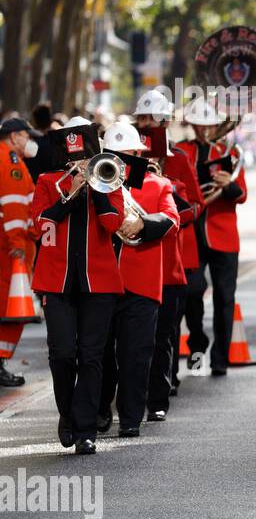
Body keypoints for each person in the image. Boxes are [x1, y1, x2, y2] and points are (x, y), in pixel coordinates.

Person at [31, 119, 132, 454]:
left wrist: (97, 190)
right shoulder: (48, 182)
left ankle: (86, 428)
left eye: (84, 158)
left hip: (98, 283)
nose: (79, 164)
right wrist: (71, 194)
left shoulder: (109, 180)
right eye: (74, 158)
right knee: (62, 354)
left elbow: (112, 224)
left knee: (92, 356)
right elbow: (39, 227)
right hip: (56, 283)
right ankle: (67, 415)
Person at [95, 122, 179, 437]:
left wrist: (143, 224)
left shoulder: (157, 185)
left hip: (141, 282)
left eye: (126, 154)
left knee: (136, 354)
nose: (120, 160)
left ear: (138, 154)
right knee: (99, 353)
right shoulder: (98, 182)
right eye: (113, 154)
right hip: (101, 282)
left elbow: (172, 219)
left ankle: (130, 418)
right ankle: (101, 410)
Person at [132, 90, 202, 421]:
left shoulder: (180, 160)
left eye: (152, 119)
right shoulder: (125, 156)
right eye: (142, 119)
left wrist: (171, 208)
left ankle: (160, 394)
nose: (146, 125)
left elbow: (197, 206)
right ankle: (133, 392)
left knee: (165, 334)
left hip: (169, 256)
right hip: (133, 259)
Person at [176, 98, 247, 376]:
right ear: (193, 125)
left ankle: (220, 358)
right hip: (192, 236)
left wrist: (227, 186)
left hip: (223, 235)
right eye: (200, 124)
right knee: (192, 292)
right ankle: (197, 343)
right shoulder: (181, 151)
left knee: (225, 299)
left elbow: (241, 195)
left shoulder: (227, 152)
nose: (205, 130)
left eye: (209, 125)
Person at [0, 115, 38, 387]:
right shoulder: (11, 163)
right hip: (11, 251)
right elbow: (13, 206)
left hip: (9, 247)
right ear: (14, 137)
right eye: (26, 136)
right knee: (10, 310)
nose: (29, 141)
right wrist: (17, 247)